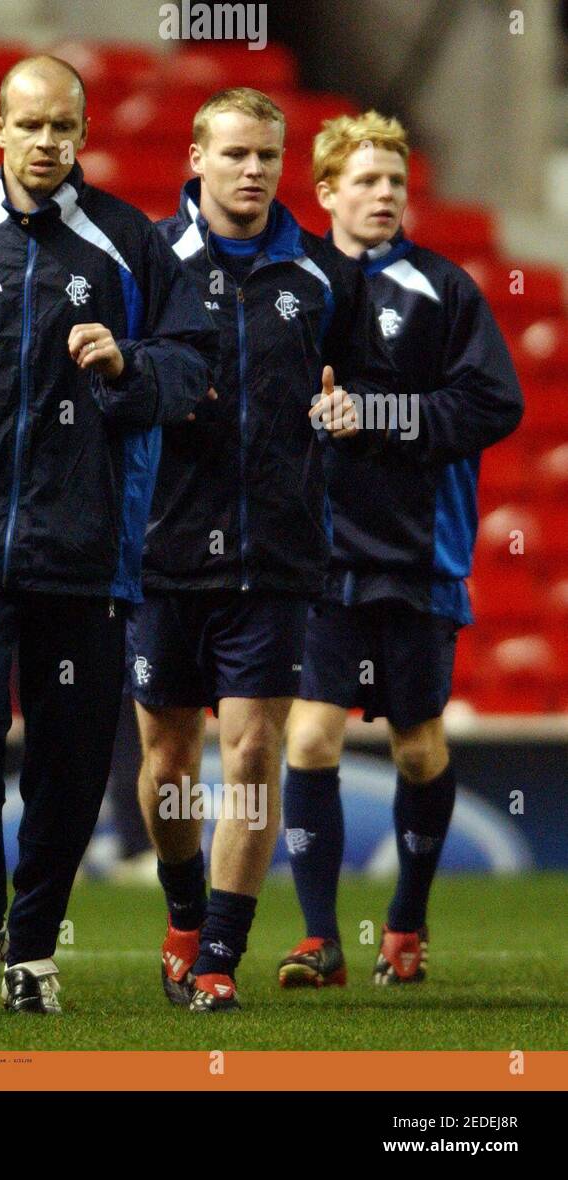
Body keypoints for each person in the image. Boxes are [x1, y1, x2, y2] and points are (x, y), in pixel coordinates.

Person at [0, 56, 216, 1014]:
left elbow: (190, 371)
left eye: (66, 128)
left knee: (70, 759)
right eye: (32, 126)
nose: (49, 143)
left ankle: (33, 949)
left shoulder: (132, 244)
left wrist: (125, 366)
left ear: (84, 134)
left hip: (86, 548)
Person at [132, 87, 396, 1013]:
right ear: (196, 159)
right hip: (162, 554)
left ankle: (215, 959)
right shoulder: (148, 263)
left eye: (267, 158)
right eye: (235, 154)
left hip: (277, 555)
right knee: (167, 766)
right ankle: (180, 908)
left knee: (250, 757)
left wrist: (349, 412)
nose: (252, 172)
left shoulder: (325, 277)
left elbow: (364, 389)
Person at [278, 112, 522, 989]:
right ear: (327, 192)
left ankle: (406, 926)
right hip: (320, 556)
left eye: (396, 181)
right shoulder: (294, 285)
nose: (385, 195)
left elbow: (497, 405)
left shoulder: (446, 290)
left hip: (419, 555)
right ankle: (319, 940)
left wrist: (384, 415)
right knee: (308, 738)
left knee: (419, 746)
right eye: (367, 181)